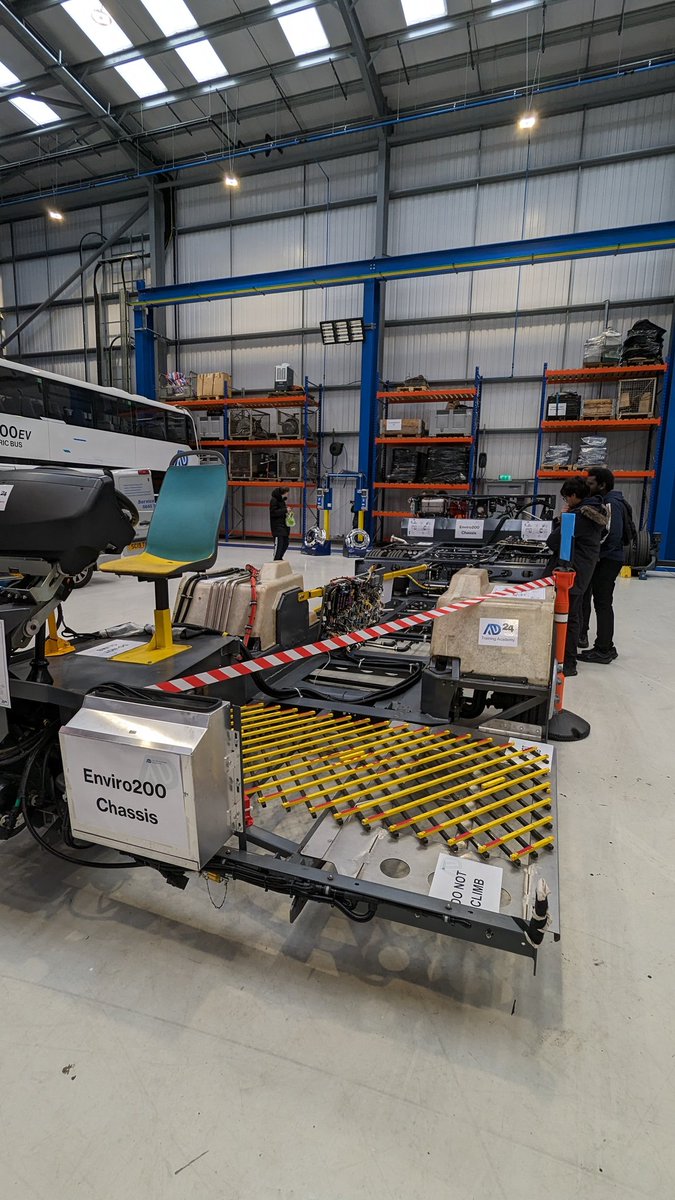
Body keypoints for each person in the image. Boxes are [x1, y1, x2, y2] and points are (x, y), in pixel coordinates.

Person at [546, 476, 608, 677]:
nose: (566, 501)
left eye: (566, 497)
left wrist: (562, 519)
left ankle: (567, 662)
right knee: (574, 615)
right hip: (581, 570)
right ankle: (566, 659)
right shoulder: (594, 511)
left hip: (571, 572)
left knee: (569, 616)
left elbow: (553, 541)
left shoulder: (579, 517)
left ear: (573, 496)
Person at [579, 466, 634, 664]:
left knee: (602, 603)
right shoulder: (611, 500)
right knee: (602, 602)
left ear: (603, 485)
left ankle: (603, 649)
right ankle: (605, 646)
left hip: (608, 559)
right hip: (610, 558)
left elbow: (612, 534)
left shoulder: (611, 503)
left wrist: (595, 555)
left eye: (591, 483)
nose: (588, 486)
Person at [269, 487, 291, 560]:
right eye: (287, 492)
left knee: (285, 543)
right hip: (277, 527)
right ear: (284, 493)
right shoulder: (274, 500)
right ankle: (276, 559)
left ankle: (280, 558)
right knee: (279, 545)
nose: (288, 494)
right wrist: (285, 510)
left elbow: (281, 511)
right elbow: (273, 512)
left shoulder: (282, 501)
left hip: (284, 526)